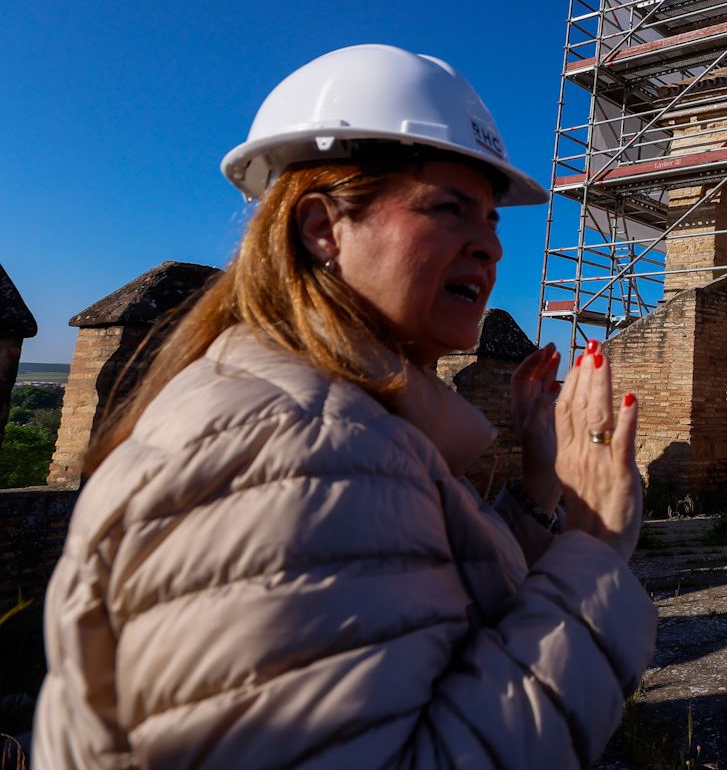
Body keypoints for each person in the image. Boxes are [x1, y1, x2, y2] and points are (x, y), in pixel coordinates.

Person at [34, 44, 656, 768]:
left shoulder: (334, 425)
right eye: (449, 208)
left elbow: (409, 601)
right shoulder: (287, 447)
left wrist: (541, 490)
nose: (491, 247)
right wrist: (594, 550)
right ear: (323, 227)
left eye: (491, 220)